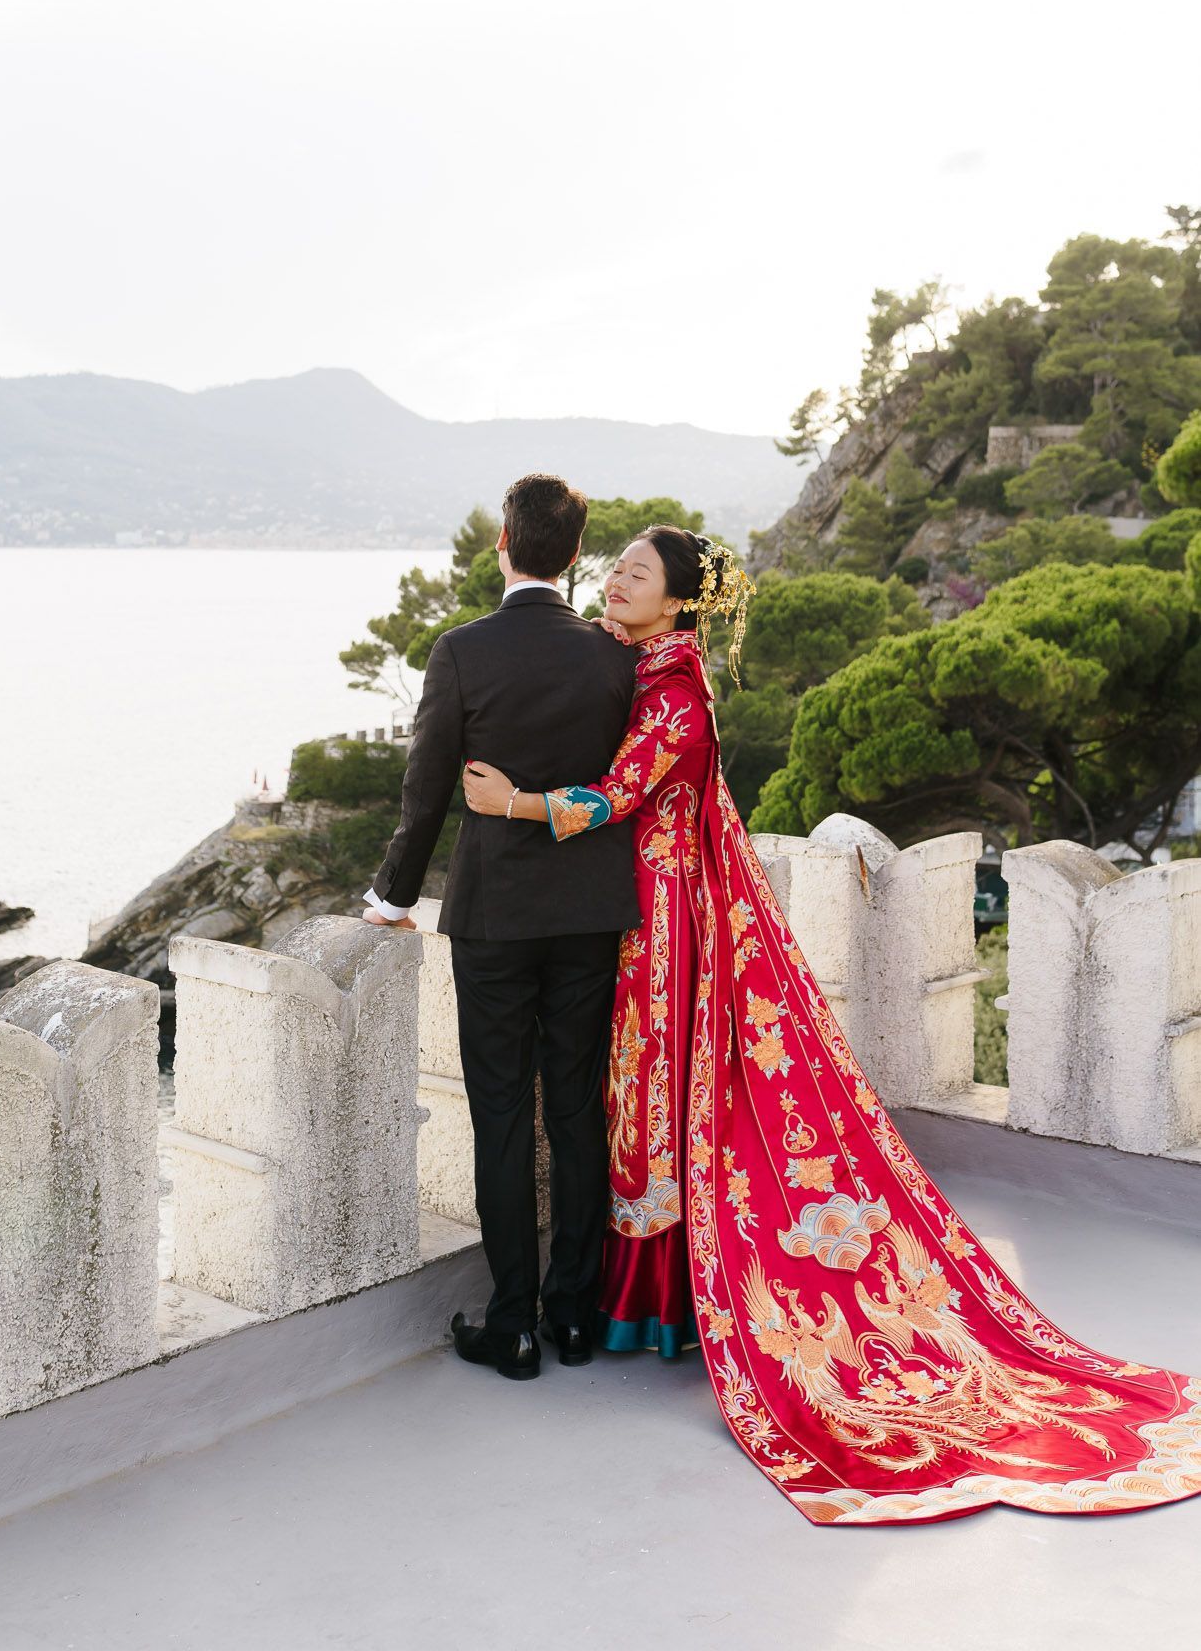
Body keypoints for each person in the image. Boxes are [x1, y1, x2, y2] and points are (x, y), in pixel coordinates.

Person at [463, 525, 1201, 1525]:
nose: (616, 579)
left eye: (637, 572)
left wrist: (513, 804)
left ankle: (655, 1305)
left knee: (653, 1098)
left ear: (680, 604)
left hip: (667, 918)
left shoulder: (677, 692)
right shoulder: (644, 669)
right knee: (637, 1101)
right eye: (616, 565)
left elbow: (616, 796)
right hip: (641, 911)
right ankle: (633, 1302)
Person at [362, 474, 640, 1382]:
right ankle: (574, 1315)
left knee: (501, 1115)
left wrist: (390, 900)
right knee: (575, 1106)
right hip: (593, 912)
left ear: (502, 543)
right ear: (575, 555)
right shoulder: (613, 655)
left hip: (494, 919)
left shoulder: (461, 651)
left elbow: (426, 790)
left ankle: (512, 1321)